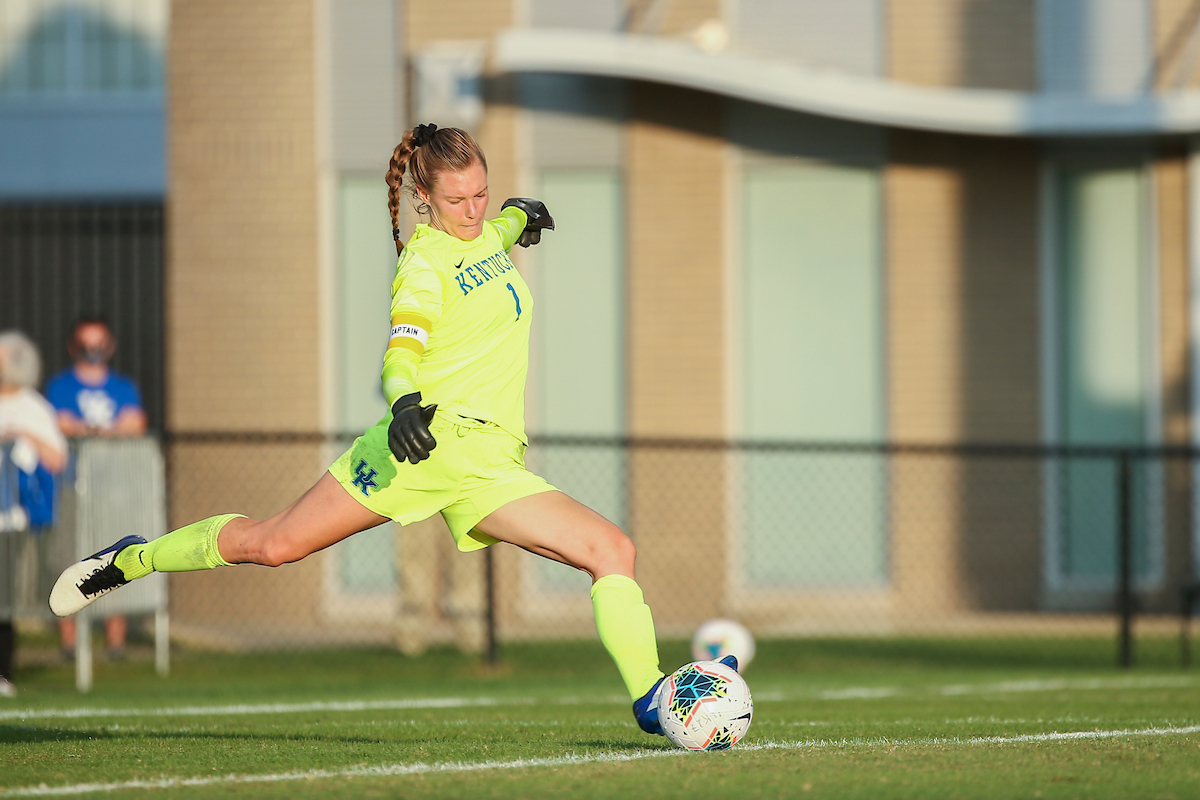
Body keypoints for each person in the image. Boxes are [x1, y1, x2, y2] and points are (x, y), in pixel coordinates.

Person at [49, 123, 735, 734]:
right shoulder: (424, 263)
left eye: (482, 194)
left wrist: (519, 214)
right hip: (418, 447)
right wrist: (403, 403)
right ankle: (129, 559)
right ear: (424, 199)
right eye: (459, 200)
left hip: (490, 467)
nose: (474, 211)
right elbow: (400, 352)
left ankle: (651, 699)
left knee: (613, 550)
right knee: (273, 545)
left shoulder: (484, 236)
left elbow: (496, 233)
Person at [45, 317, 147, 661]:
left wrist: (87, 431)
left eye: (99, 341)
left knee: (115, 558)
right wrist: (105, 431)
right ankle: (69, 643)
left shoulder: (123, 387)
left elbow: (136, 424)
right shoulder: (60, 386)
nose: (93, 350)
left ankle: (115, 642)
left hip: (113, 488)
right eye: (86, 342)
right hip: (73, 487)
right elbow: (58, 424)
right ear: (74, 346)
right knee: (68, 556)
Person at [0, 331, 68, 697]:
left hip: (11, 519)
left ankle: (3, 671)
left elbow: (57, 457)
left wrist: (20, 434)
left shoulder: (33, 407)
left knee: (3, 595)